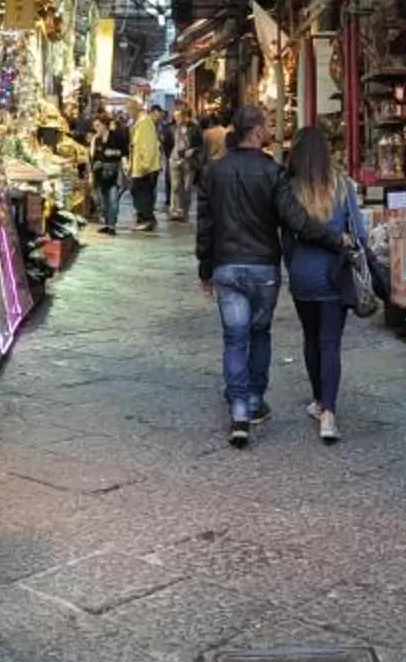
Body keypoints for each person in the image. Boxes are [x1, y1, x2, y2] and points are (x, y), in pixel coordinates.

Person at [194, 104, 336, 447]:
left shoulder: (214, 172)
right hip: (263, 268)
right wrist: (334, 238)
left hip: (227, 265)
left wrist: (205, 267)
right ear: (256, 131)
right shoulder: (273, 173)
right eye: (267, 125)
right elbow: (296, 220)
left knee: (234, 339)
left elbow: (205, 225)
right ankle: (255, 401)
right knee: (259, 334)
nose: (271, 129)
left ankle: (239, 410)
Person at [280, 124, 370, 444]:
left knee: (310, 337)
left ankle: (319, 401)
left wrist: (293, 267)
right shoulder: (343, 186)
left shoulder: (290, 189)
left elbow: (286, 241)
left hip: (303, 276)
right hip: (335, 274)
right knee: (330, 342)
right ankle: (329, 415)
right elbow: (359, 233)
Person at [127, 103, 164, 231]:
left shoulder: (144, 123)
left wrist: (145, 165)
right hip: (140, 168)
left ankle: (146, 219)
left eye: (129, 109)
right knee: (139, 192)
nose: (128, 112)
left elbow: (148, 146)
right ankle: (144, 218)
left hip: (144, 169)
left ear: (135, 109)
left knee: (142, 193)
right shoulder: (139, 123)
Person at [89, 111, 128, 234]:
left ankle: (112, 225)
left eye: (98, 126)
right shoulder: (97, 139)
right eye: (95, 126)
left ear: (104, 125)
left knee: (113, 200)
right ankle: (107, 223)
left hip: (114, 173)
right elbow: (92, 157)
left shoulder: (117, 137)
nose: (96, 129)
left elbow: (124, 152)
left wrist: (118, 157)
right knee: (103, 201)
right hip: (100, 174)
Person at [153, 106, 179, 217]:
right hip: (171, 157)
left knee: (178, 182)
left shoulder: (166, 127)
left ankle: (176, 202)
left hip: (181, 159)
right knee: (169, 179)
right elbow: (166, 144)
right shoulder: (168, 128)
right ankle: (169, 199)